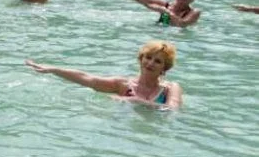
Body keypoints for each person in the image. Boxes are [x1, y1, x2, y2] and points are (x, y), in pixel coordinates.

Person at [25, 41, 182, 110]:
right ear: (141, 59)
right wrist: (54, 69)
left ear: (164, 68)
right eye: (148, 57)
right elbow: (88, 79)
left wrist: (135, 101)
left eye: (157, 61)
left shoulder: (170, 89)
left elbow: (172, 109)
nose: (150, 63)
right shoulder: (123, 85)